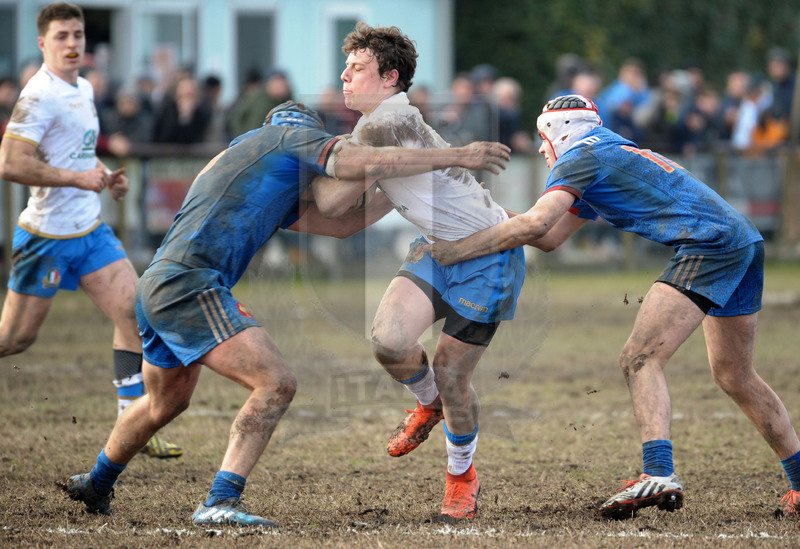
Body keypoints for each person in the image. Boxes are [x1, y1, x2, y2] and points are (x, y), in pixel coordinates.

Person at [63, 100, 511, 526]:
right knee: (276, 383)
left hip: (157, 282)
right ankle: (221, 500)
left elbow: (340, 224)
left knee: (166, 400)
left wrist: (404, 194)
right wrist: (460, 155)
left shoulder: (247, 160)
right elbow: (364, 163)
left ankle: (97, 483)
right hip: (191, 283)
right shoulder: (287, 138)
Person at [427, 94, 800, 519]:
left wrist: (457, 250)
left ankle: (658, 471)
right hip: (741, 240)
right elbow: (550, 238)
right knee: (736, 375)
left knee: (640, 358)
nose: (543, 148)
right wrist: (483, 211)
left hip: (710, 245)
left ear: (558, 132)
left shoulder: (579, 158)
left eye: (542, 138)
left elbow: (535, 224)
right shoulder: (604, 149)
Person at [340, 23, 525, 521]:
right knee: (388, 342)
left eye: (357, 69)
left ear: (389, 77)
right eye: (347, 67)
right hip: (439, 249)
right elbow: (363, 206)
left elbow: (338, 192)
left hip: (488, 255)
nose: (345, 77)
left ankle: (462, 477)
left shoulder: (382, 124)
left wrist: (294, 163)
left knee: (451, 373)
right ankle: (429, 403)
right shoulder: (384, 123)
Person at [0, 2, 181, 459]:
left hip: (90, 231)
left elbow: (76, 155)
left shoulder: (81, 88)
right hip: (46, 238)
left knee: (135, 317)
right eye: (61, 36)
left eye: (77, 35)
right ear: (42, 43)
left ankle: (130, 420)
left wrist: (102, 175)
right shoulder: (38, 95)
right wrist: (77, 179)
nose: (72, 43)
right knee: (15, 339)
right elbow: (10, 163)